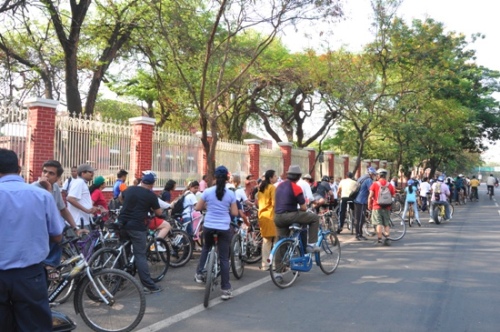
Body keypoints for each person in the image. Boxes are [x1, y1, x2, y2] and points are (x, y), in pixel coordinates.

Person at [0, 149, 64, 331]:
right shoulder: (42, 195)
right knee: (34, 326)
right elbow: (57, 235)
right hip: (30, 276)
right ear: (19, 169)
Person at [33, 160, 83, 278]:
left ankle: (52, 264)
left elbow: (63, 209)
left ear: (58, 177)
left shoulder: (55, 188)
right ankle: (49, 264)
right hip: (37, 229)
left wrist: (75, 227)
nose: (46, 175)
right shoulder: (34, 188)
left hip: (49, 227)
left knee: (62, 228)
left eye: (51, 173)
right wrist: (48, 189)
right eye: (45, 172)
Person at [194, 166, 238, 300]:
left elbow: (198, 207)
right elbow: (235, 213)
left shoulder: (207, 192)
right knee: (224, 258)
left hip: (208, 226)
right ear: (227, 178)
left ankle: (199, 273)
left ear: (214, 177)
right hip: (224, 228)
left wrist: (208, 206)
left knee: (206, 248)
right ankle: (225, 289)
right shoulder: (230, 194)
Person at [119, 172, 165, 293]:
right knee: (140, 254)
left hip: (122, 224)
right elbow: (159, 212)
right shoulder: (151, 195)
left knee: (124, 251)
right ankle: (149, 285)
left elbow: (120, 197)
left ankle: (119, 278)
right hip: (137, 226)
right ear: (152, 184)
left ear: (142, 181)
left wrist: (127, 205)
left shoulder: (129, 189)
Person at [274, 165, 321, 252]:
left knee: (281, 243)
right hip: (289, 216)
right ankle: (311, 245)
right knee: (314, 218)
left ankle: (279, 265)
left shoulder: (279, 185)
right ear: (299, 176)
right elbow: (303, 207)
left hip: (277, 217)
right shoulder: (296, 188)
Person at [367, 168, 396, 246]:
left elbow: (370, 196)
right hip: (387, 207)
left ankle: (379, 239)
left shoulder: (375, 184)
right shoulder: (390, 185)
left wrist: (369, 205)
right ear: (385, 176)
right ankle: (387, 238)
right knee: (386, 223)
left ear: (379, 176)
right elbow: (393, 195)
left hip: (377, 207)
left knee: (378, 223)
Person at [256, 169, 278, 270]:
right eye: (275, 176)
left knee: (266, 241)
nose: (276, 177)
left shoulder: (261, 188)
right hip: (271, 216)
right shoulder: (272, 188)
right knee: (276, 241)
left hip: (262, 216)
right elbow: (274, 203)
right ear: (270, 178)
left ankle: (265, 264)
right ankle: (273, 264)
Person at [67, 164, 98, 229]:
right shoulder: (79, 182)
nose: (92, 174)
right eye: (90, 172)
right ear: (83, 173)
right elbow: (70, 198)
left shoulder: (81, 183)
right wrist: (86, 210)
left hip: (83, 221)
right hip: (79, 222)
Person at [353, 167, 377, 241]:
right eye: (373, 174)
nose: (374, 176)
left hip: (357, 200)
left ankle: (359, 233)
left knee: (358, 218)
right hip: (361, 201)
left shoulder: (362, 177)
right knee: (360, 219)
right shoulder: (368, 180)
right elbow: (371, 190)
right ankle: (358, 235)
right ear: (370, 174)